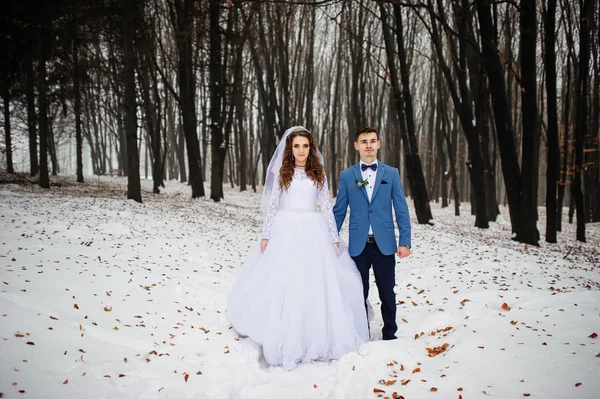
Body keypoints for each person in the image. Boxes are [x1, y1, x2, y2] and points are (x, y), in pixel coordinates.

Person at [227, 126, 368, 370]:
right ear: (290, 149)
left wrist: (334, 237)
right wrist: (266, 234)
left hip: (313, 230)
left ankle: (313, 333)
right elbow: (272, 205)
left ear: (310, 149)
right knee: (284, 279)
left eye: (305, 146)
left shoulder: (318, 173)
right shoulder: (284, 172)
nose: (301, 150)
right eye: (296, 146)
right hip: (285, 227)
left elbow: (325, 206)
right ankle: (280, 330)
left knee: (313, 280)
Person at [333, 126, 411, 341]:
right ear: (356, 146)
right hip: (358, 245)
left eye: (372, 141)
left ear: (378, 144)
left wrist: (405, 241)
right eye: (364, 141)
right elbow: (339, 210)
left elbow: (401, 210)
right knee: (359, 292)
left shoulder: (391, 174)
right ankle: (361, 333)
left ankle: (390, 334)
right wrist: (331, 238)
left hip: (384, 244)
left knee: (387, 291)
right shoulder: (348, 175)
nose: (368, 145)